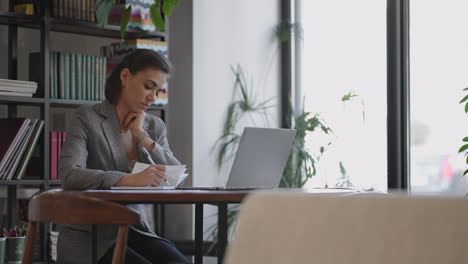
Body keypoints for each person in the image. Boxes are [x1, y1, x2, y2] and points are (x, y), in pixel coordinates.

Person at [57, 49, 190, 264]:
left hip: (135, 230)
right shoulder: (87, 117)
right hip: (93, 237)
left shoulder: (154, 126)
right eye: (148, 86)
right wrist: (128, 179)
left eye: (158, 91)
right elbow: (70, 174)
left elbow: (177, 176)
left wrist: (142, 136)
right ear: (125, 76)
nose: (152, 98)